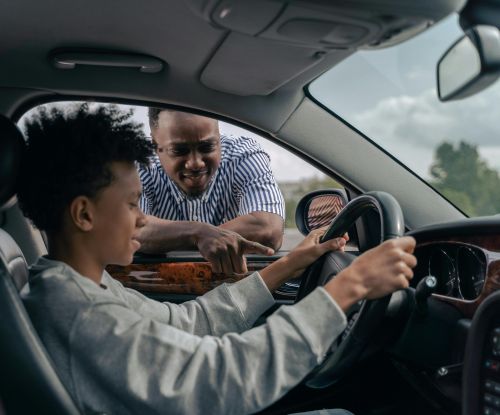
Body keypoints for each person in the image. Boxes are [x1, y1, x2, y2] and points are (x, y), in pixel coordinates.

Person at [18, 104, 417, 415]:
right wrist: (352, 286)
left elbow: (190, 323)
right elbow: (220, 378)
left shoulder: (83, 286)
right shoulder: (79, 312)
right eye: (131, 204)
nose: (142, 220)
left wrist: (291, 263)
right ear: (84, 215)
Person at [137, 108, 285, 274]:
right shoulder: (139, 163)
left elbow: (268, 228)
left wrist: (197, 238)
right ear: (155, 144)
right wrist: (198, 234)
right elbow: (131, 228)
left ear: (219, 138)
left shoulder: (243, 155)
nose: (195, 163)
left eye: (207, 147)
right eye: (179, 150)